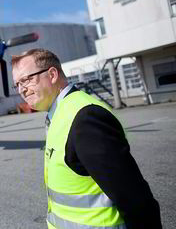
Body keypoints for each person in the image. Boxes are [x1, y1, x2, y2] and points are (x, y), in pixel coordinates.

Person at [11, 49, 161, 229]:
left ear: (52, 75)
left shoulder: (85, 117)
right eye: (17, 84)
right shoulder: (59, 113)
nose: (22, 90)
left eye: (26, 80)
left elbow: (132, 196)